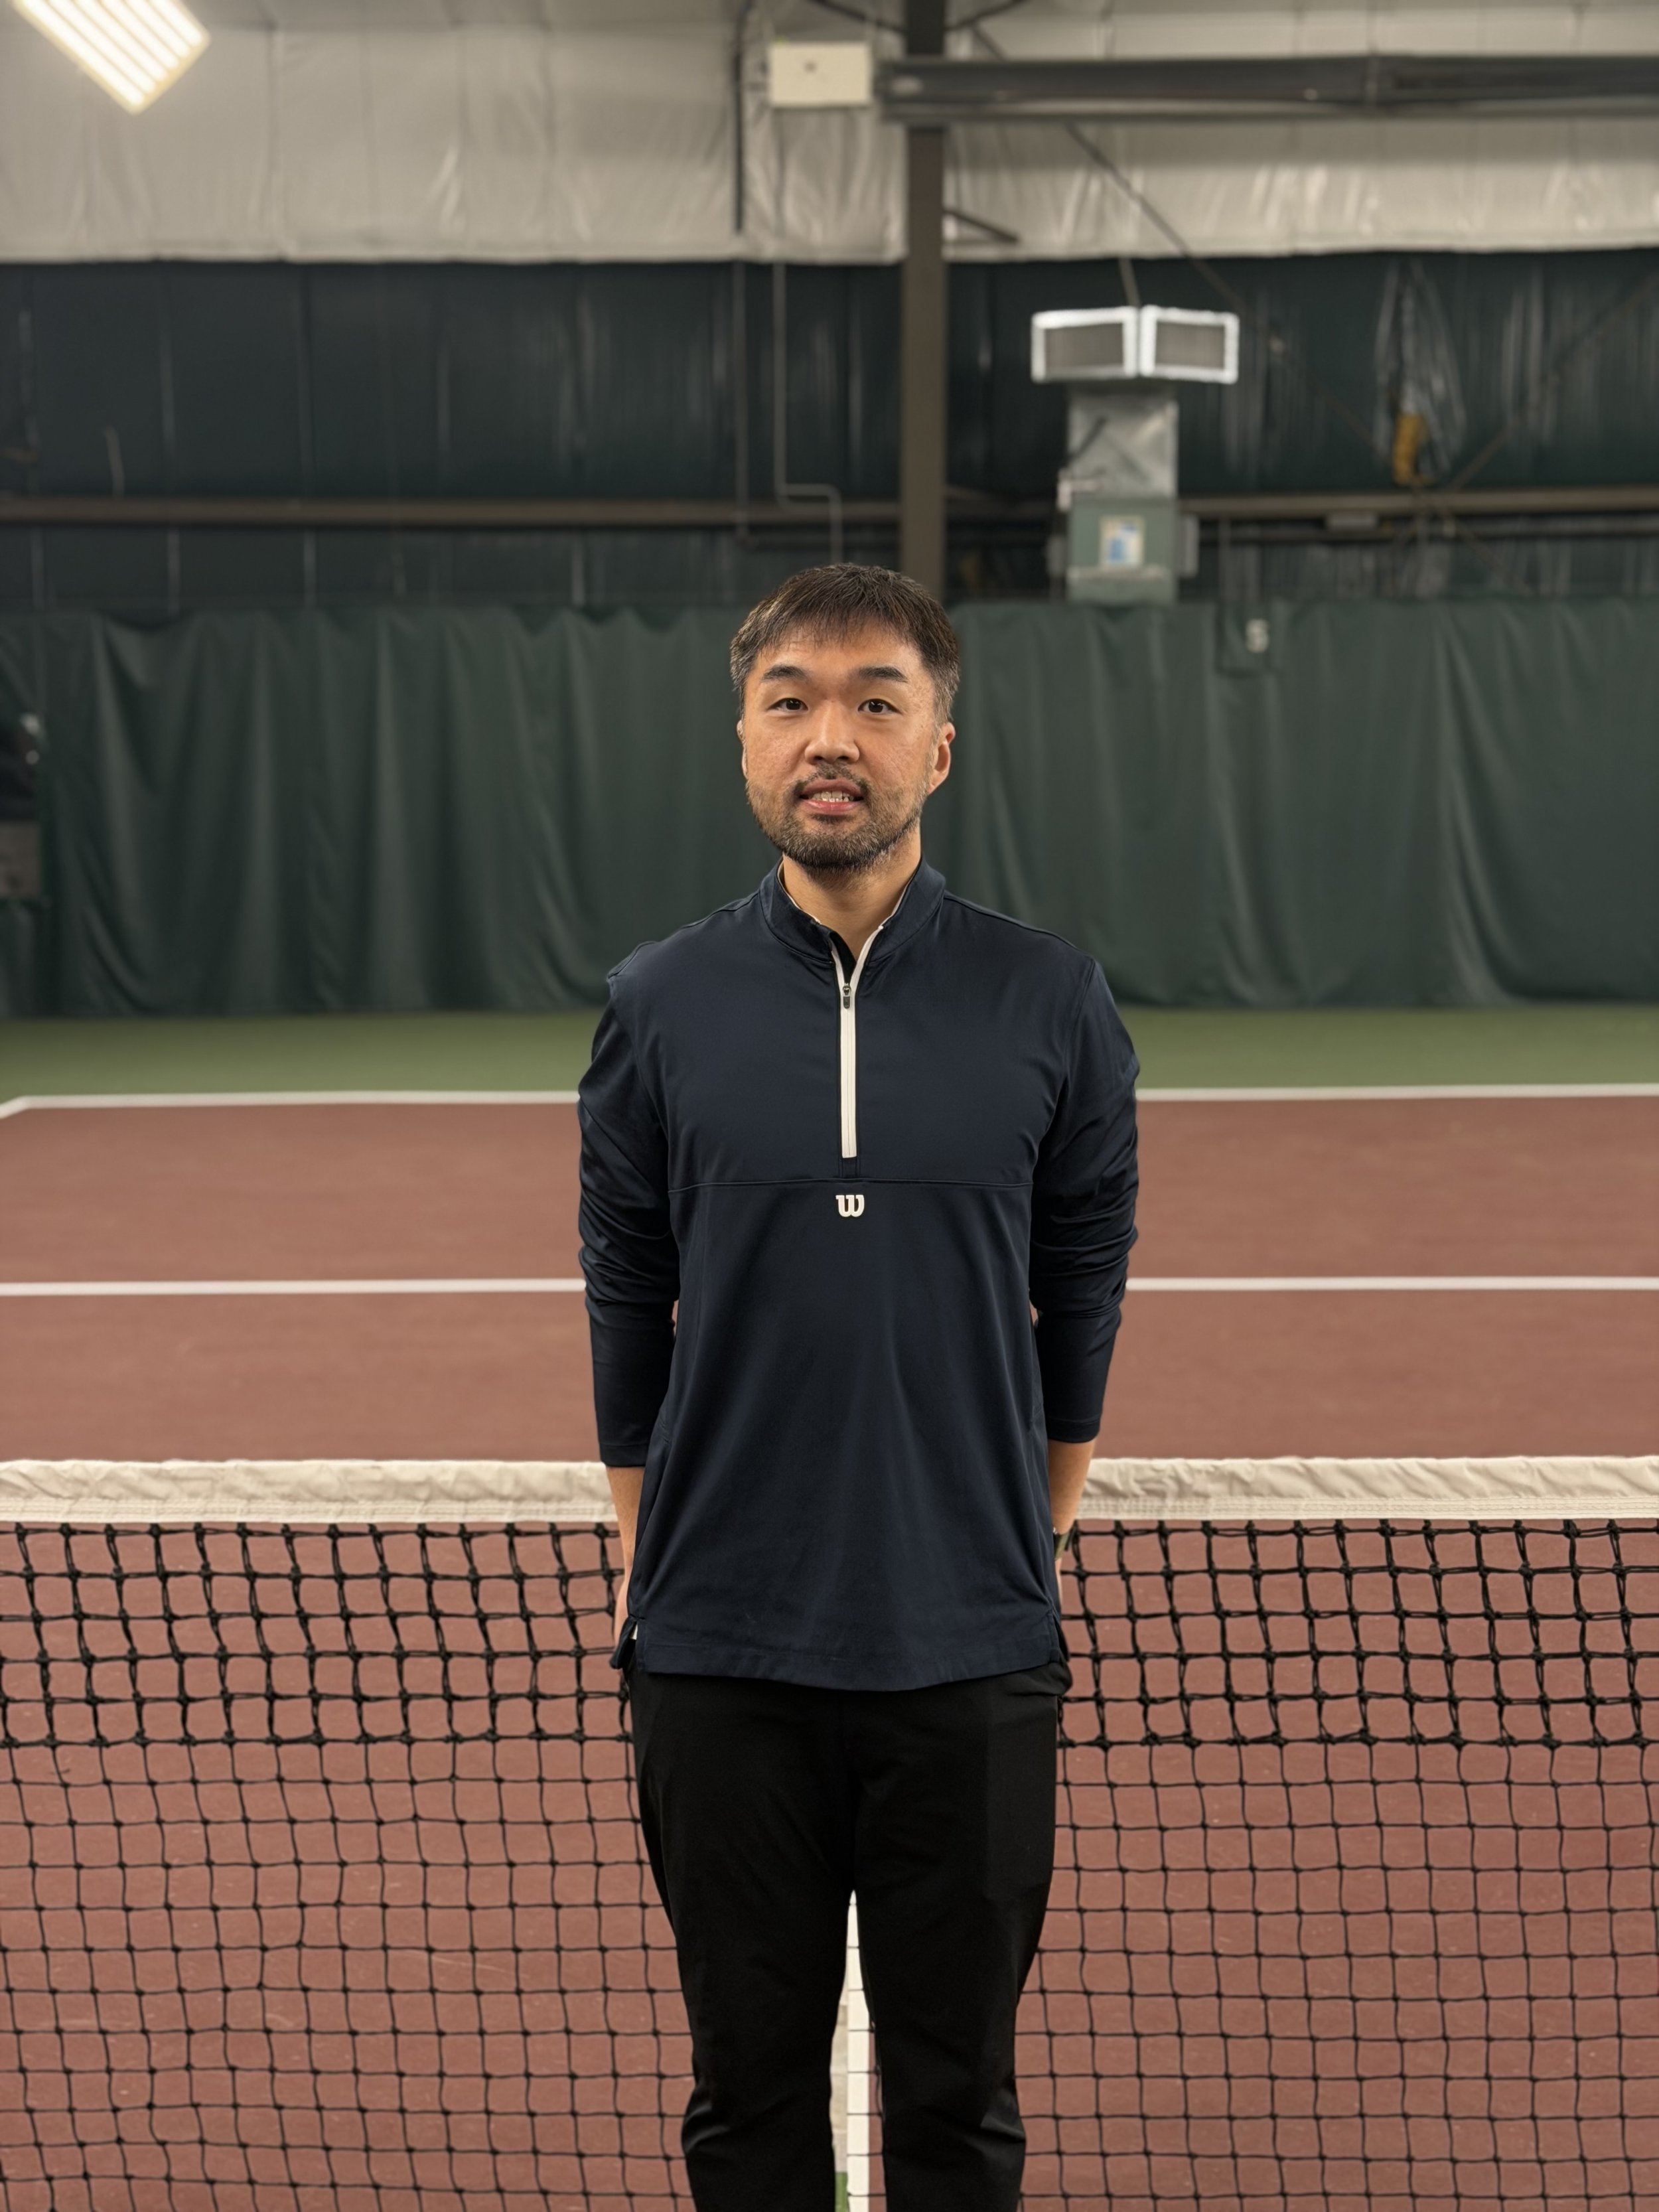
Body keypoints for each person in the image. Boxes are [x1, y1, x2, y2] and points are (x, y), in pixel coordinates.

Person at [577, 563, 1138, 2212]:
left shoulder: (1047, 995)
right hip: (715, 1655)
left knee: (957, 2105)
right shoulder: (657, 1001)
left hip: (968, 1655)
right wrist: (649, 1550)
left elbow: (1082, 1278)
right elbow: (626, 1287)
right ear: (742, 743)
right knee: (747, 2101)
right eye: (792, 701)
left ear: (937, 749)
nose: (833, 736)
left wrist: (1016, 1545)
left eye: (876, 701)